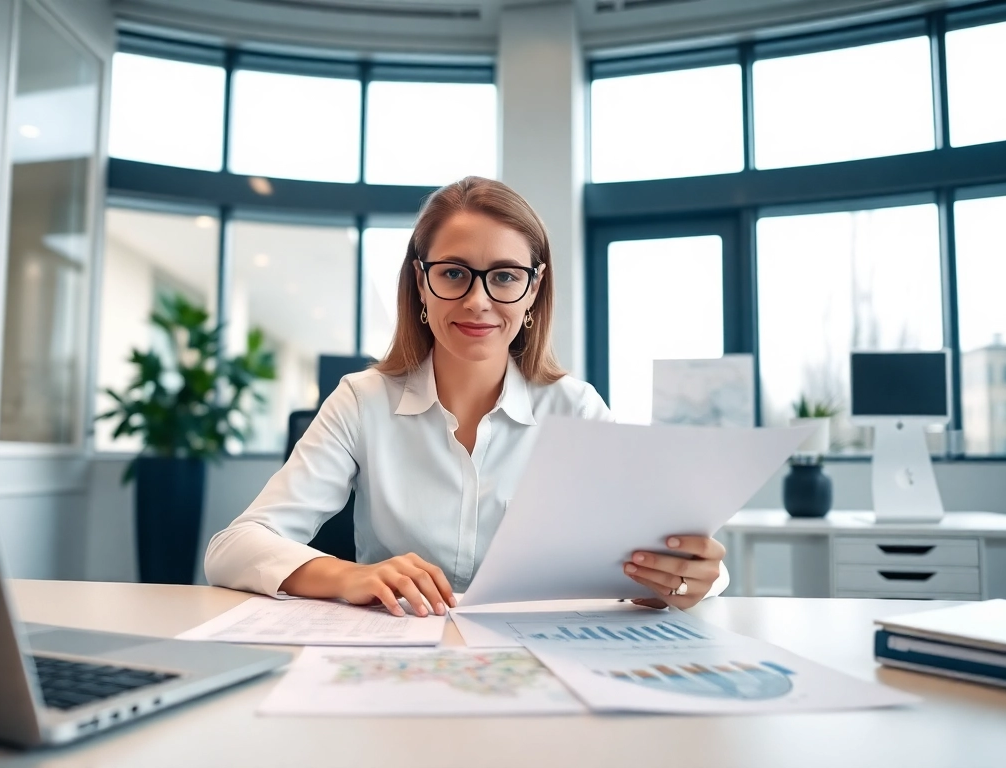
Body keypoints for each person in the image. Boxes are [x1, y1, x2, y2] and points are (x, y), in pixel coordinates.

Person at [204, 177, 728, 616]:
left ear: (533, 291)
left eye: (504, 276)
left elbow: (669, 551)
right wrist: (350, 577)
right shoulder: (361, 402)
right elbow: (234, 548)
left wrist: (688, 578)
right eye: (453, 273)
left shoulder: (576, 408)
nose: (478, 301)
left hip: (541, 663)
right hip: (395, 658)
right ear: (421, 282)